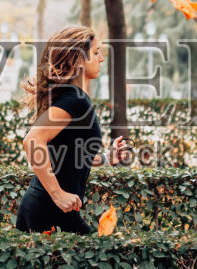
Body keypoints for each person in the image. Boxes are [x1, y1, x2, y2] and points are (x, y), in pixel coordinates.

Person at [15, 25, 128, 234]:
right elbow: (32, 141)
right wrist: (58, 194)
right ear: (78, 60)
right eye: (95, 53)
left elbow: (70, 153)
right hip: (50, 210)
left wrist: (106, 158)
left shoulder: (72, 97)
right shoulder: (74, 99)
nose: (101, 59)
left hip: (51, 210)